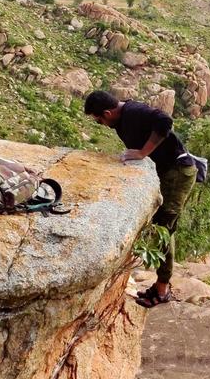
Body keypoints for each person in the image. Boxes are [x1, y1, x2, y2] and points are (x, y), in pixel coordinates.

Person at [84, 90, 199, 308]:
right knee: (159, 226)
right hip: (165, 171)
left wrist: (143, 152)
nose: (100, 124)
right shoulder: (122, 117)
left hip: (177, 173)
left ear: (107, 113)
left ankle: (163, 287)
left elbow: (165, 121)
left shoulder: (133, 111)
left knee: (164, 228)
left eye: (98, 120)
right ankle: (160, 282)